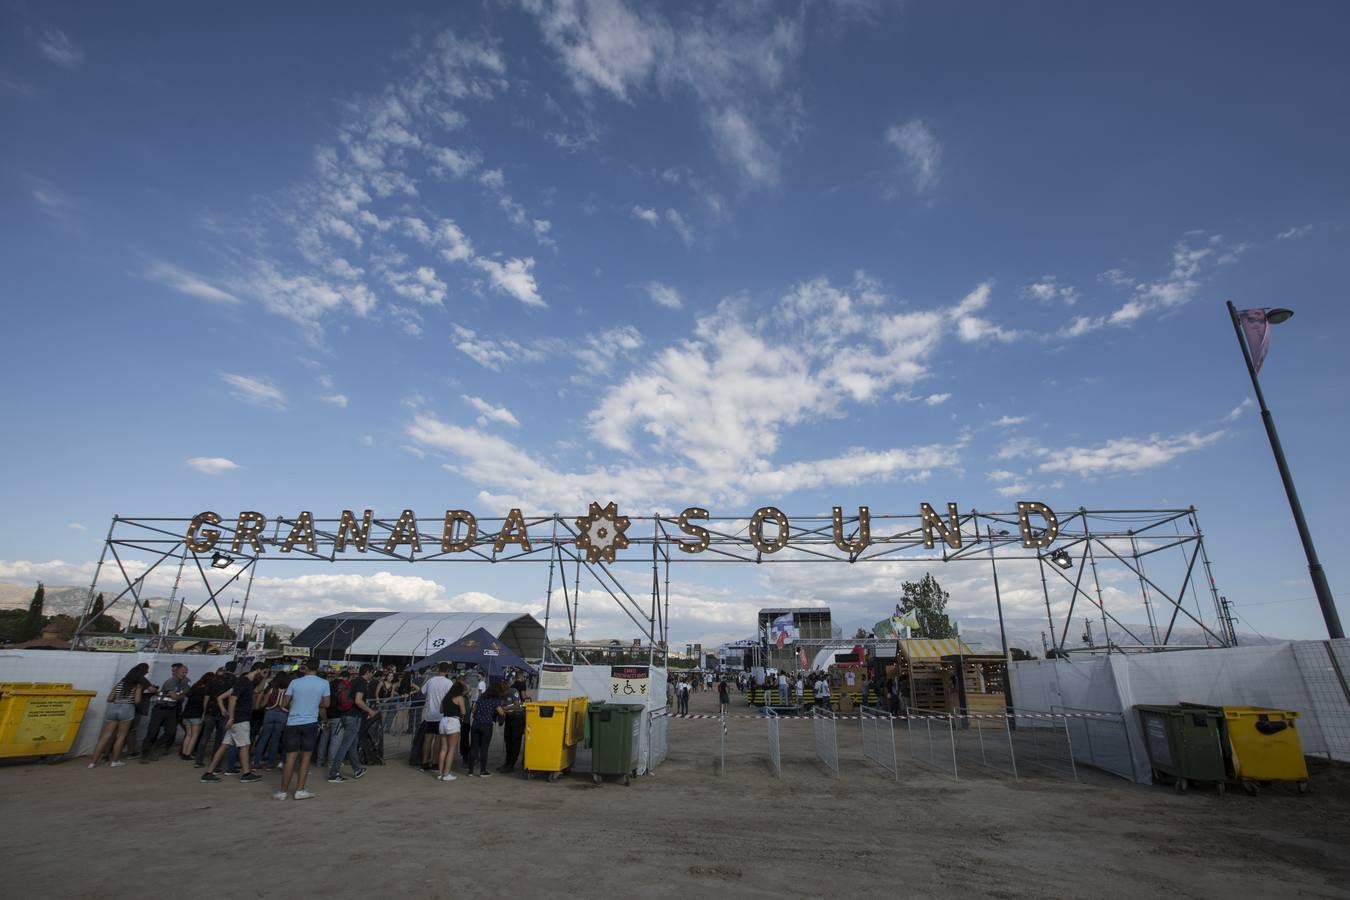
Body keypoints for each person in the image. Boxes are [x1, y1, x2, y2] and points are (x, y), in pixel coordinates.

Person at [200, 661, 267, 784]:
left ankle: (209, 772)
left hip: (236, 719)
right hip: (240, 719)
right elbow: (233, 698)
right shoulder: (244, 682)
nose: (264, 675)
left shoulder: (244, 682)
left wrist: (225, 711)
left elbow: (223, 697)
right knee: (244, 745)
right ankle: (246, 773)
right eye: (263, 672)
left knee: (224, 745)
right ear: (258, 669)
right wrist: (230, 717)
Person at [277, 657, 330, 800]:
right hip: (310, 722)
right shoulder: (324, 683)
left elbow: (284, 702)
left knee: (290, 757)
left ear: (305, 668)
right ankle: (300, 789)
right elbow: (326, 703)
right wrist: (314, 701)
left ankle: (282, 791)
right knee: (306, 757)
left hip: (293, 721)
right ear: (318, 668)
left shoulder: (295, 682)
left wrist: (295, 703)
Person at [89, 663, 148, 768]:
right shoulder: (137, 685)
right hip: (127, 709)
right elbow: (137, 701)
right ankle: (115, 761)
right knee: (121, 736)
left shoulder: (120, 684)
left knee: (105, 736)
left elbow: (109, 699)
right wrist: (137, 692)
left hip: (114, 708)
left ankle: (93, 762)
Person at [328, 663, 375, 783]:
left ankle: (357, 769)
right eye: (372, 672)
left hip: (345, 715)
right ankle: (334, 773)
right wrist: (370, 711)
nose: (372, 675)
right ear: (368, 672)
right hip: (354, 717)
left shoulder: (353, 681)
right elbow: (358, 701)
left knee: (352, 744)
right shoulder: (362, 683)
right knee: (346, 745)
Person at [140, 662, 190, 762]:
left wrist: (180, 695)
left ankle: (155, 747)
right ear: (176, 672)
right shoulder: (171, 681)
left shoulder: (184, 682)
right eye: (182, 672)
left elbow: (185, 693)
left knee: (170, 731)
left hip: (171, 710)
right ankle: (145, 754)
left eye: (185, 672)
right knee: (152, 732)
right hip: (160, 708)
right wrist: (181, 696)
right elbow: (175, 696)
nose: (184, 674)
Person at [418, 662, 453, 770]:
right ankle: (435, 762)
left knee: (428, 738)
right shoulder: (449, 682)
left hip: (430, 713)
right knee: (438, 739)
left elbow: (422, 691)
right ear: (447, 671)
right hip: (441, 714)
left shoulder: (431, 680)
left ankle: (424, 762)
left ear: (438, 669)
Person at [253, 671, 291, 769]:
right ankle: (270, 763)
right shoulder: (289, 691)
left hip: (270, 713)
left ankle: (256, 761)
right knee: (275, 740)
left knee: (264, 738)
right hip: (283, 714)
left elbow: (263, 704)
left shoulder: (271, 690)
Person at [469, 680, 505, 777]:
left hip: (476, 724)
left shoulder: (481, 698)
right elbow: (501, 713)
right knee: (484, 748)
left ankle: (470, 770)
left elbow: (473, 710)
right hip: (486, 725)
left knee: (474, 747)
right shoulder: (495, 700)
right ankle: (483, 770)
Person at [497, 674, 529, 773]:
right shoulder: (501, 694)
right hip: (509, 718)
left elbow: (517, 705)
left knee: (515, 741)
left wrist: (505, 708)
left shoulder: (513, 691)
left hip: (517, 717)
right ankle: (507, 763)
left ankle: (511, 764)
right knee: (508, 741)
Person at [437, 681, 467, 781]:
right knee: (451, 749)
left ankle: (440, 772)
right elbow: (463, 712)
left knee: (443, 748)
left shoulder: (446, 697)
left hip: (443, 721)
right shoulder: (459, 698)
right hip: (453, 721)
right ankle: (446, 773)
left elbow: (441, 710)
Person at [179, 672, 212, 760]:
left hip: (187, 713)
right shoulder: (207, 690)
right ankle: (188, 754)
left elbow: (187, 695)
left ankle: (183, 752)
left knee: (188, 735)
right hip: (197, 714)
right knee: (194, 735)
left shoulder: (195, 686)